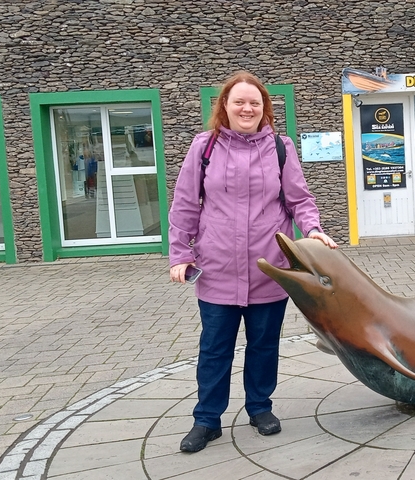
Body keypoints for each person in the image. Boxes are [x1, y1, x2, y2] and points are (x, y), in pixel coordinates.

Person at [167, 71, 338, 453]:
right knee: (215, 349)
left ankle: (260, 408)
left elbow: (299, 199)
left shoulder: (280, 147)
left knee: (264, 345)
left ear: (265, 108)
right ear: (225, 106)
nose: (247, 108)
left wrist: (312, 230)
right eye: (239, 102)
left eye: (255, 103)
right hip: (218, 270)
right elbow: (185, 204)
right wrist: (180, 253)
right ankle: (207, 420)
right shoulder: (204, 147)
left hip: (268, 268)